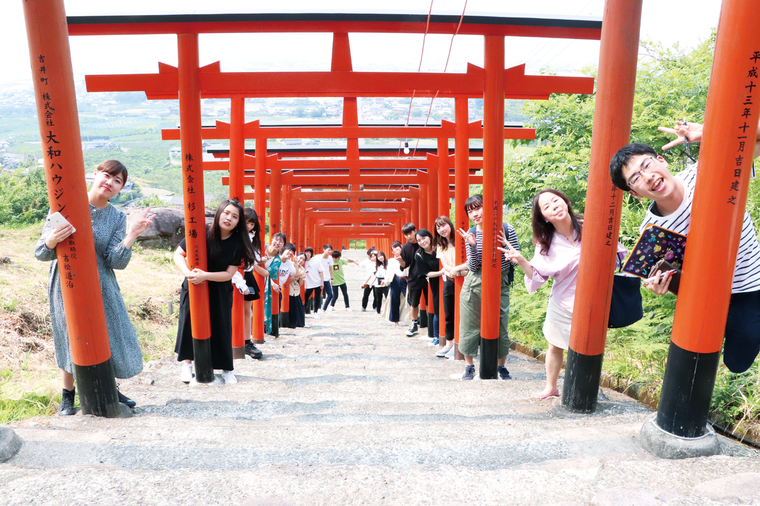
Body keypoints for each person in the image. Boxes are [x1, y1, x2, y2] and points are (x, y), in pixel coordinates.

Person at [609, 120, 760, 374]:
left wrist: (710, 132)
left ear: (661, 160)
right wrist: (663, 284)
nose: (648, 177)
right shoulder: (652, 231)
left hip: (751, 283)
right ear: (635, 193)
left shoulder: (707, 172)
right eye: (635, 178)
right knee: (735, 363)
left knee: (739, 358)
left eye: (646, 165)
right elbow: (672, 273)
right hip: (711, 298)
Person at [36, 159, 154, 415]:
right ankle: (68, 395)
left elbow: (115, 261)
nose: (110, 183)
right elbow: (40, 253)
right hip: (66, 283)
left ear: (121, 189)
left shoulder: (116, 217)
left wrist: (131, 235)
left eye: (117, 181)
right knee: (68, 336)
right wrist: (51, 240)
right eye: (107, 175)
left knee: (108, 333)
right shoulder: (66, 205)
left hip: (102, 285)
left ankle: (110, 386)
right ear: (95, 174)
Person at [501, 189, 627, 398]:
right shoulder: (545, 243)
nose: (554, 207)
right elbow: (538, 276)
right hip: (562, 303)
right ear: (544, 217)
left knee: (589, 348)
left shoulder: (590, 226)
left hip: (592, 301)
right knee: (555, 346)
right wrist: (521, 260)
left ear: (565, 202)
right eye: (547, 207)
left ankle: (588, 389)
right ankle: (551, 387)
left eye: (555, 200)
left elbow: (615, 256)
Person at [174, 198, 257, 385]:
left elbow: (229, 274)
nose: (229, 218)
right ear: (219, 213)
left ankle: (227, 369)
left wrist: (206, 275)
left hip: (219, 289)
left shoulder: (237, 243)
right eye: (226, 213)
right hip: (194, 285)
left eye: (234, 216)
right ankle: (187, 364)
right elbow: (179, 254)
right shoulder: (201, 232)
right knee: (189, 323)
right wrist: (188, 273)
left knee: (222, 326)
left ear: (238, 223)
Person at [456, 194, 519, 381]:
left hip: (499, 283)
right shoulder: (471, 232)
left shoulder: (507, 229)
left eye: (477, 208)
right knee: (469, 324)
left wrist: (506, 248)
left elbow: (515, 261)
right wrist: (473, 246)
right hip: (474, 283)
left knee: (501, 324)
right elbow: (473, 266)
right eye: (470, 211)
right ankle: (469, 366)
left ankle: (501, 366)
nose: (474, 214)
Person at [433, 216, 466, 359]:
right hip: (450, 281)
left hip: (464, 280)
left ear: (450, 224)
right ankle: (449, 343)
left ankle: (461, 344)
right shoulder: (441, 245)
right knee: (448, 314)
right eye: (438, 228)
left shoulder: (460, 240)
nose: (442, 229)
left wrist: (457, 270)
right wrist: (454, 270)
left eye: (443, 225)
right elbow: (445, 265)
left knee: (463, 314)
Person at [242, 208, 266, 360]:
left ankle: (246, 342)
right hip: (235, 274)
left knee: (246, 311)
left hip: (247, 274)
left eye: (251, 223)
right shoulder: (235, 236)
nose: (249, 226)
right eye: (246, 223)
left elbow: (255, 259)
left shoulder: (252, 238)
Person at [410, 229, 441, 345]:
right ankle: (437, 335)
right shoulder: (419, 254)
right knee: (437, 308)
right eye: (419, 240)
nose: (422, 242)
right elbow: (426, 273)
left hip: (449, 280)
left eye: (424, 238)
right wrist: (441, 272)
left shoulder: (440, 246)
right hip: (435, 282)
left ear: (430, 237)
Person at [397, 223, 421, 336]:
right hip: (413, 277)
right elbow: (404, 266)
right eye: (406, 235)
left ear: (415, 230)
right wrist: (400, 260)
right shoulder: (406, 247)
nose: (409, 236)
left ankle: (427, 322)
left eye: (410, 233)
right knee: (414, 302)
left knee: (430, 300)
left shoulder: (424, 242)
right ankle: (414, 323)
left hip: (428, 276)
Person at [264, 233, 287, 335]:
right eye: (276, 240)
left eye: (281, 242)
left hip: (263, 285)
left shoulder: (277, 260)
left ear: (283, 246)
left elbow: (266, 273)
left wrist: (255, 264)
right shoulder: (260, 248)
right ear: (271, 239)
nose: (277, 243)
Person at [385, 241, 407, 326]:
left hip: (405, 279)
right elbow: (389, 271)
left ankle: (415, 318)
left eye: (398, 248)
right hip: (395, 279)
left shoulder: (406, 257)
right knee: (394, 299)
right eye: (394, 250)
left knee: (410, 299)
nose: (396, 251)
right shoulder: (391, 260)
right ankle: (395, 320)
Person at [303, 247, 324, 318]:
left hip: (317, 282)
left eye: (309, 252)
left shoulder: (316, 261)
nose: (307, 254)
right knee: (305, 297)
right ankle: (303, 312)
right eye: (306, 252)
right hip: (308, 283)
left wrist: (322, 282)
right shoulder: (303, 261)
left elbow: (321, 271)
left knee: (317, 298)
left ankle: (315, 312)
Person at [287, 249, 306, 328]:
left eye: (303, 259)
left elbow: (301, 284)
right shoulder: (290, 265)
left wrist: (301, 278)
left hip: (296, 291)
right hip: (289, 290)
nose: (301, 260)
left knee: (299, 312)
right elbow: (287, 280)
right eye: (300, 258)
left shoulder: (302, 269)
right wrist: (296, 275)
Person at [319, 244, 335, 310]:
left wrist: (331, 278)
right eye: (328, 250)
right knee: (317, 294)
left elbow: (331, 268)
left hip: (326, 278)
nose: (330, 251)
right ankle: (317, 309)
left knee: (330, 295)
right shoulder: (317, 257)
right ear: (324, 250)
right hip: (318, 279)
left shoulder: (330, 258)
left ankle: (324, 309)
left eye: (330, 250)